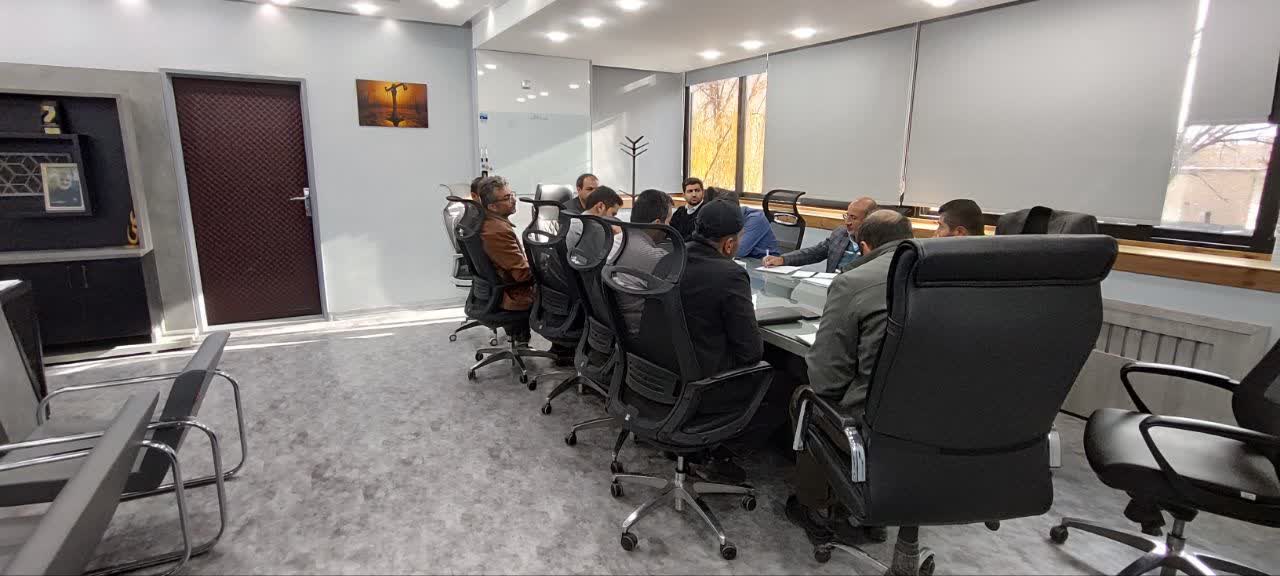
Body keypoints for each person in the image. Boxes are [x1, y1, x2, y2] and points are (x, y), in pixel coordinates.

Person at [786, 209, 915, 546]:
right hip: (937, 420)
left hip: (872, 423)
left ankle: (816, 508)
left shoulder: (854, 282)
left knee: (807, 399)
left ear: (865, 246)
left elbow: (826, 380)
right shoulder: (947, 276)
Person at [476, 176, 535, 343]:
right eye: (507, 197)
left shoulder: (490, 223)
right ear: (492, 206)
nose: (514, 200)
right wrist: (545, 266)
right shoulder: (497, 231)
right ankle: (563, 349)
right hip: (512, 295)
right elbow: (522, 275)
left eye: (512, 194)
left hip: (495, 292)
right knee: (568, 292)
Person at [614, 189, 674, 335]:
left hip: (615, 324)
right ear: (657, 224)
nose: (670, 227)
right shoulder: (655, 258)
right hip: (640, 331)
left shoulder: (616, 240)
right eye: (668, 222)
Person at [762, 197, 878, 273]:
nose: (847, 222)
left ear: (868, 220)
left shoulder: (877, 243)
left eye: (853, 218)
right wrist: (782, 259)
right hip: (831, 289)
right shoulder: (840, 234)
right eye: (847, 216)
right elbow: (814, 253)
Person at [711, 189, 778, 259]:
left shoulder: (756, 218)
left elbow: (738, 251)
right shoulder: (726, 217)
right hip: (742, 258)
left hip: (763, 260)